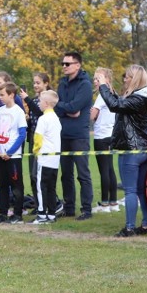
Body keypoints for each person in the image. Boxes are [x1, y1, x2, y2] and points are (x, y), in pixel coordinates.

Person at [94, 65, 147, 237]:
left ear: (135, 79)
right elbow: (120, 103)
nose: (124, 79)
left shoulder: (136, 99)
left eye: (127, 77)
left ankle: (129, 228)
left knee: (130, 191)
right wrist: (107, 88)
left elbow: (115, 105)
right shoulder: (144, 97)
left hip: (132, 149)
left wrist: (102, 87)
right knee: (141, 190)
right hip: (145, 149)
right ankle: (146, 225)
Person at [54, 51, 94, 220]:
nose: (64, 66)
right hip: (62, 134)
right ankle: (69, 207)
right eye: (63, 64)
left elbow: (75, 106)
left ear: (77, 65)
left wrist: (66, 108)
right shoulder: (62, 83)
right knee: (66, 174)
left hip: (79, 135)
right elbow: (56, 106)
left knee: (83, 174)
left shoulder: (85, 84)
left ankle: (86, 209)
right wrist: (66, 108)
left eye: (67, 64)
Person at [0, 82, 28, 223]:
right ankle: (2, 213)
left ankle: (18, 213)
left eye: (2, 94)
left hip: (13, 157)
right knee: (2, 185)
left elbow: (22, 134)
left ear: (11, 95)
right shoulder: (0, 111)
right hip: (0, 155)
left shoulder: (18, 111)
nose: (0, 97)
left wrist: (11, 152)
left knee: (16, 185)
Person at [20, 73, 51, 209]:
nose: (35, 85)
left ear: (46, 83)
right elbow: (33, 118)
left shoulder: (48, 100)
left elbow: (40, 113)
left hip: (43, 139)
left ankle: (47, 204)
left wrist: (27, 100)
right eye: (34, 83)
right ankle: (38, 204)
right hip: (33, 137)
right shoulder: (33, 100)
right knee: (32, 175)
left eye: (38, 83)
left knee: (39, 174)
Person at [31, 90, 61, 224]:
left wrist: (35, 151)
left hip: (44, 158)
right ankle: (52, 214)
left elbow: (38, 138)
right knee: (51, 187)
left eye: (40, 101)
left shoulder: (43, 119)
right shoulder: (56, 118)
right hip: (55, 160)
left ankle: (42, 214)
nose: (39, 103)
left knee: (41, 186)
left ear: (47, 103)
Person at [90, 68, 118, 213]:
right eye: (94, 79)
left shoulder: (102, 95)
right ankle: (113, 202)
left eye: (98, 78)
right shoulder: (114, 93)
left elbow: (92, 116)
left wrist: (91, 113)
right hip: (111, 135)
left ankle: (105, 204)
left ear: (107, 79)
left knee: (104, 170)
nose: (95, 81)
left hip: (101, 136)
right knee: (110, 169)